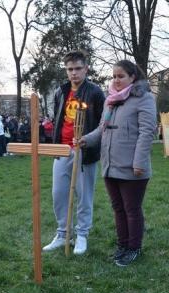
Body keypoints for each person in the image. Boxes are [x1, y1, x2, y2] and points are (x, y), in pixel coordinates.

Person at [79, 60, 157, 266]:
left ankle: (134, 248)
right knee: (118, 208)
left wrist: (139, 162)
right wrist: (86, 139)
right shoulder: (111, 100)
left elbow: (147, 132)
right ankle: (122, 245)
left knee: (132, 208)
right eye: (114, 76)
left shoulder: (144, 98)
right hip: (110, 164)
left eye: (121, 76)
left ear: (133, 77)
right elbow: (102, 129)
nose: (116, 80)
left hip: (132, 166)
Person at [42, 50, 105, 255]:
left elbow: (102, 124)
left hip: (83, 151)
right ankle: (62, 233)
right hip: (62, 149)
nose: (74, 73)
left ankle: (82, 235)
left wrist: (88, 142)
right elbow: (59, 119)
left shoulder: (95, 92)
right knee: (58, 193)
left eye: (78, 68)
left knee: (83, 195)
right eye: (70, 69)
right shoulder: (61, 92)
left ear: (86, 69)